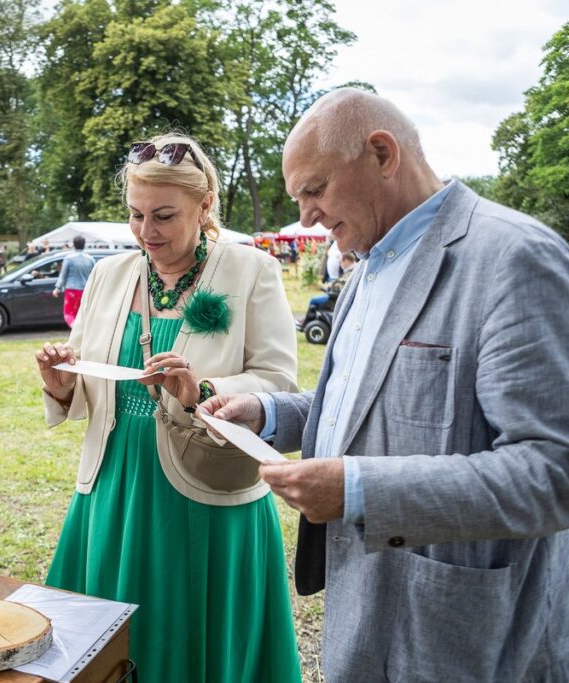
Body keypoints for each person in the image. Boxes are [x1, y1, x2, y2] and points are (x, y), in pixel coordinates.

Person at [203, 88, 569, 681]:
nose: (306, 217)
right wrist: (267, 413)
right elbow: (371, 403)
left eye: (315, 190)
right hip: (366, 614)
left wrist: (358, 490)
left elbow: (552, 472)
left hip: (462, 635)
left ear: (381, 154)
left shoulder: (513, 257)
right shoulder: (370, 262)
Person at [36, 133, 301, 682]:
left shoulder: (251, 270)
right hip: (114, 485)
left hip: (206, 486)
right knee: (106, 644)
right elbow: (87, 377)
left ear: (205, 206)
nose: (146, 232)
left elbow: (278, 382)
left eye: (163, 216)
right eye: (136, 215)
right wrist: (61, 383)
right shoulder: (109, 275)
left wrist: (201, 390)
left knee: (189, 637)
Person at [51, 234, 95, 327]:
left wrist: (57, 288)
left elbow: (63, 275)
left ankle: (75, 329)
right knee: (83, 314)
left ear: (74, 245)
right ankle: (82, 331)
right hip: (86, 291)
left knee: (69, 314)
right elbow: (94, 275)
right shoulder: (90, 259)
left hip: (72, 290)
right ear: (84, 245)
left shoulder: (69, 258)